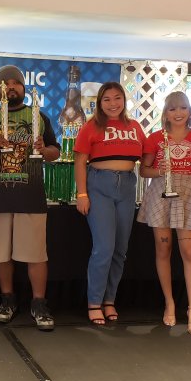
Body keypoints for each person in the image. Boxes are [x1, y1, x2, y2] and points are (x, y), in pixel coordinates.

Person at [0, 65, 61, 331]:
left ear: (23, 87)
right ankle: (7, 301)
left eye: (16, 83)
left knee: (36, 254)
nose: (11, 87)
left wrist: (43, 149)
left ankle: (39, 303)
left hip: (31, 195)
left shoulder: (39, 116)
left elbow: (55, 153)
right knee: (1, 254)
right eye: (5, 84)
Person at [138, 91, 191, 335]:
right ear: (165, 113)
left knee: (190, 251)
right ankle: (169, 302)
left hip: (189, 193)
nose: (178, 113)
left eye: (183, 108)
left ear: (190, 111)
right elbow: (144, 171)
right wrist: (160, 171)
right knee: (164, 249)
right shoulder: (155, 138)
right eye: (172, 109)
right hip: (161, 192)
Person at [74, 82, 145, 325]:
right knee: (103, 248)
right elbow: (80, 161)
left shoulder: (134, 126)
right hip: (99, 185)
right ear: (99, 103)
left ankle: (109, 300)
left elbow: (149, 154)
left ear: (124, 100)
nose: (113, 103)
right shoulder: (91, 126)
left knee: (120, 250)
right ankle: (94, 302)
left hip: (127, 187)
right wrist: (82, 194)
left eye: (117, 98)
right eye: (107, 99)